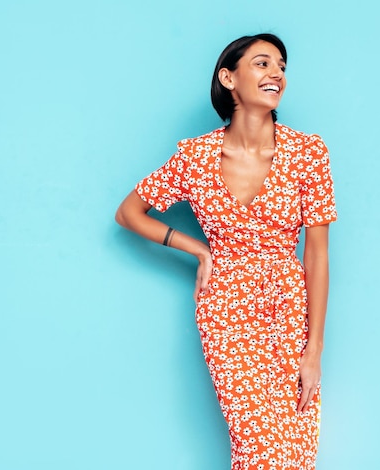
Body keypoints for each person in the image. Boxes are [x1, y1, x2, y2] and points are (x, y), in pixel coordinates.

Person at [115, 33, 337, 470]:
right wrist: (196, 248)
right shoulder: (195, 157)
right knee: (259, 446)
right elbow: (129, 212)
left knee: (295, 448)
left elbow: (317, 256)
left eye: (281, 67)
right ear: (228, 78)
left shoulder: (309, 153)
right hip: (227, 310)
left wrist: (314, 353)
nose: (276, 73)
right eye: (262, 63)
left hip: (289, 308)